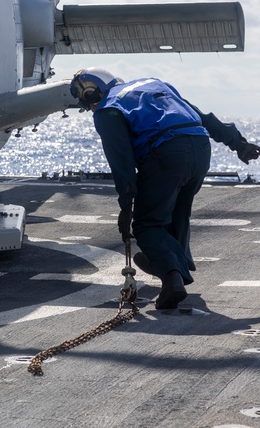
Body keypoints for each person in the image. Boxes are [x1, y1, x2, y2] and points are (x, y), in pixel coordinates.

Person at [70, 68, 260, 309]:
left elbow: (122, 163)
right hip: (200, 149)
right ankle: (171, 263)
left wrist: (126, 204)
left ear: (90, 95)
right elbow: (203, 117)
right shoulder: (155, 84)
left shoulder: (108, 110)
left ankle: (172, 278)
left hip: (167, 154)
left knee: (147, 223)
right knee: (177, 214)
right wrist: (238, 144)